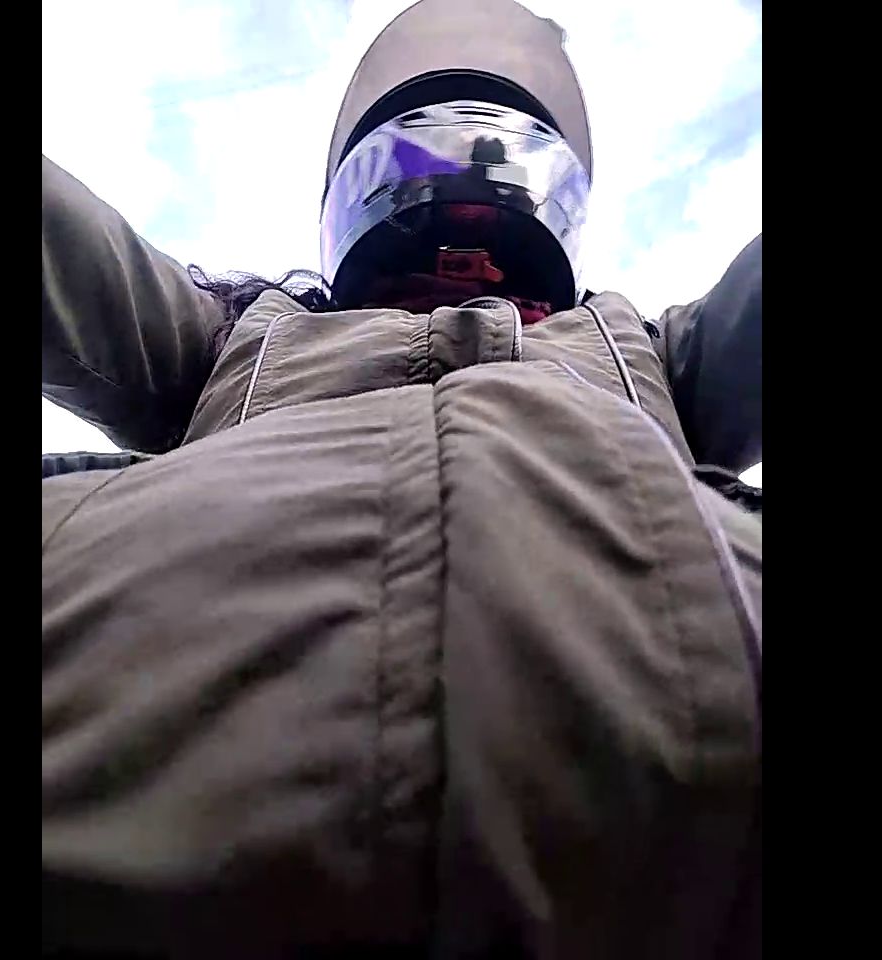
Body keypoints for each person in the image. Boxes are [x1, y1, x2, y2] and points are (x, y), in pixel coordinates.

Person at [42, 0, 761, 956]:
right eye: (417, 163)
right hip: (154, 672)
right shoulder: (243, 336)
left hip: (162, 714)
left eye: (502, 167)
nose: (459, 194)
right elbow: (72, 259)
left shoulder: (638, 347)